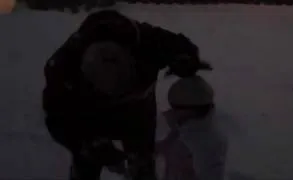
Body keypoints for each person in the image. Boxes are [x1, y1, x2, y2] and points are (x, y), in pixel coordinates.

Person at [42, 10, 212, 180]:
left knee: (142, 165)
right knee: (87, 161)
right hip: (89, 116)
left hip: (138, 112)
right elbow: (56, 118)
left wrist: (186, 59)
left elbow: (181, 47)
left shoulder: (148, 42)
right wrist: (83, 144)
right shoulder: (62, 67)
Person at [155, 75, 227, 180]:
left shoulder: (203, 144)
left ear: (190, 111)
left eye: (176, 108)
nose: (171, 113)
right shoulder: (182, 133)